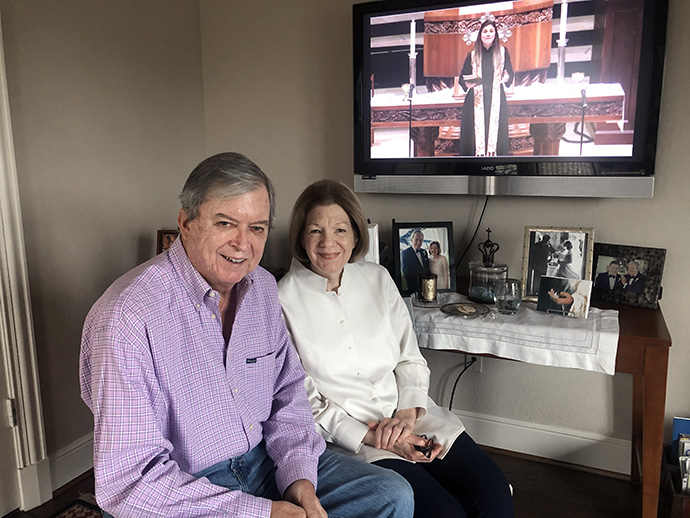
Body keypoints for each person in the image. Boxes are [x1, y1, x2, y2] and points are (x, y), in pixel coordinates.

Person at [79, 153, 414, 518]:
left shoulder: (262, 289)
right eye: (225, 223)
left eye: (257, 227)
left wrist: (299, 481)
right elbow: (131, 482)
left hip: (263, 461)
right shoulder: (127, 315)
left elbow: (288, 397)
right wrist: (261, 512)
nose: (243, 243)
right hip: (184, 484)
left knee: (390, 493)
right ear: (185, 223)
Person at [278, 179, 514, 518]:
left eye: (340, 230)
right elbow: (305, 402)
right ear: (301, 237)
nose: (328, 243)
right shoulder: (281, 300)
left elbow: (409, 358)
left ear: (356, 235)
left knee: (493, 492)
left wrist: (405, 418)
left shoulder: (377, 278)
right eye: (315, 231)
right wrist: (376, 437)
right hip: (355, 442)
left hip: (412, 416)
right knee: (444, 512)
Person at [458, 17, 514, 157]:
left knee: (496, 132)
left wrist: (506, 78)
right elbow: (462, 78)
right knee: (473, 134)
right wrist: (467, 83)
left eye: (491, 31)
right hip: (475, 100)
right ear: (480, 35)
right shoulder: (472, 55)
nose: (488, 34)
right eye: (485, 31)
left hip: (496, 99)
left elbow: (510, 74)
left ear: (495, 34)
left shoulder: (502, 52)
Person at [401, 229, 430, 293]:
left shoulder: (424, 252)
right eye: (416, 240)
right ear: (411, 240)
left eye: (420, 240)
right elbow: (406, 274)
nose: (419, 242)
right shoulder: (405, 253)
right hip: (413, 288)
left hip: (426, 287)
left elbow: (426, 268)